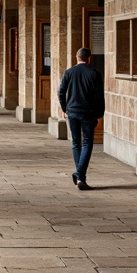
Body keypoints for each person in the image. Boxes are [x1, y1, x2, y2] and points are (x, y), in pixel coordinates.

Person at [57, 47, 105, 190]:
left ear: (76, 57)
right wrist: (99, 113)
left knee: (76, 143)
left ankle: (80, 177)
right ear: (89, 58)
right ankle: (79, 175)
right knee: (87, 143)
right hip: (88, 113)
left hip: (72, 113)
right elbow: (99, 96)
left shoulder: (69, 73)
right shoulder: (94, 74)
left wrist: (64, 109)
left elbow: (61, 92)